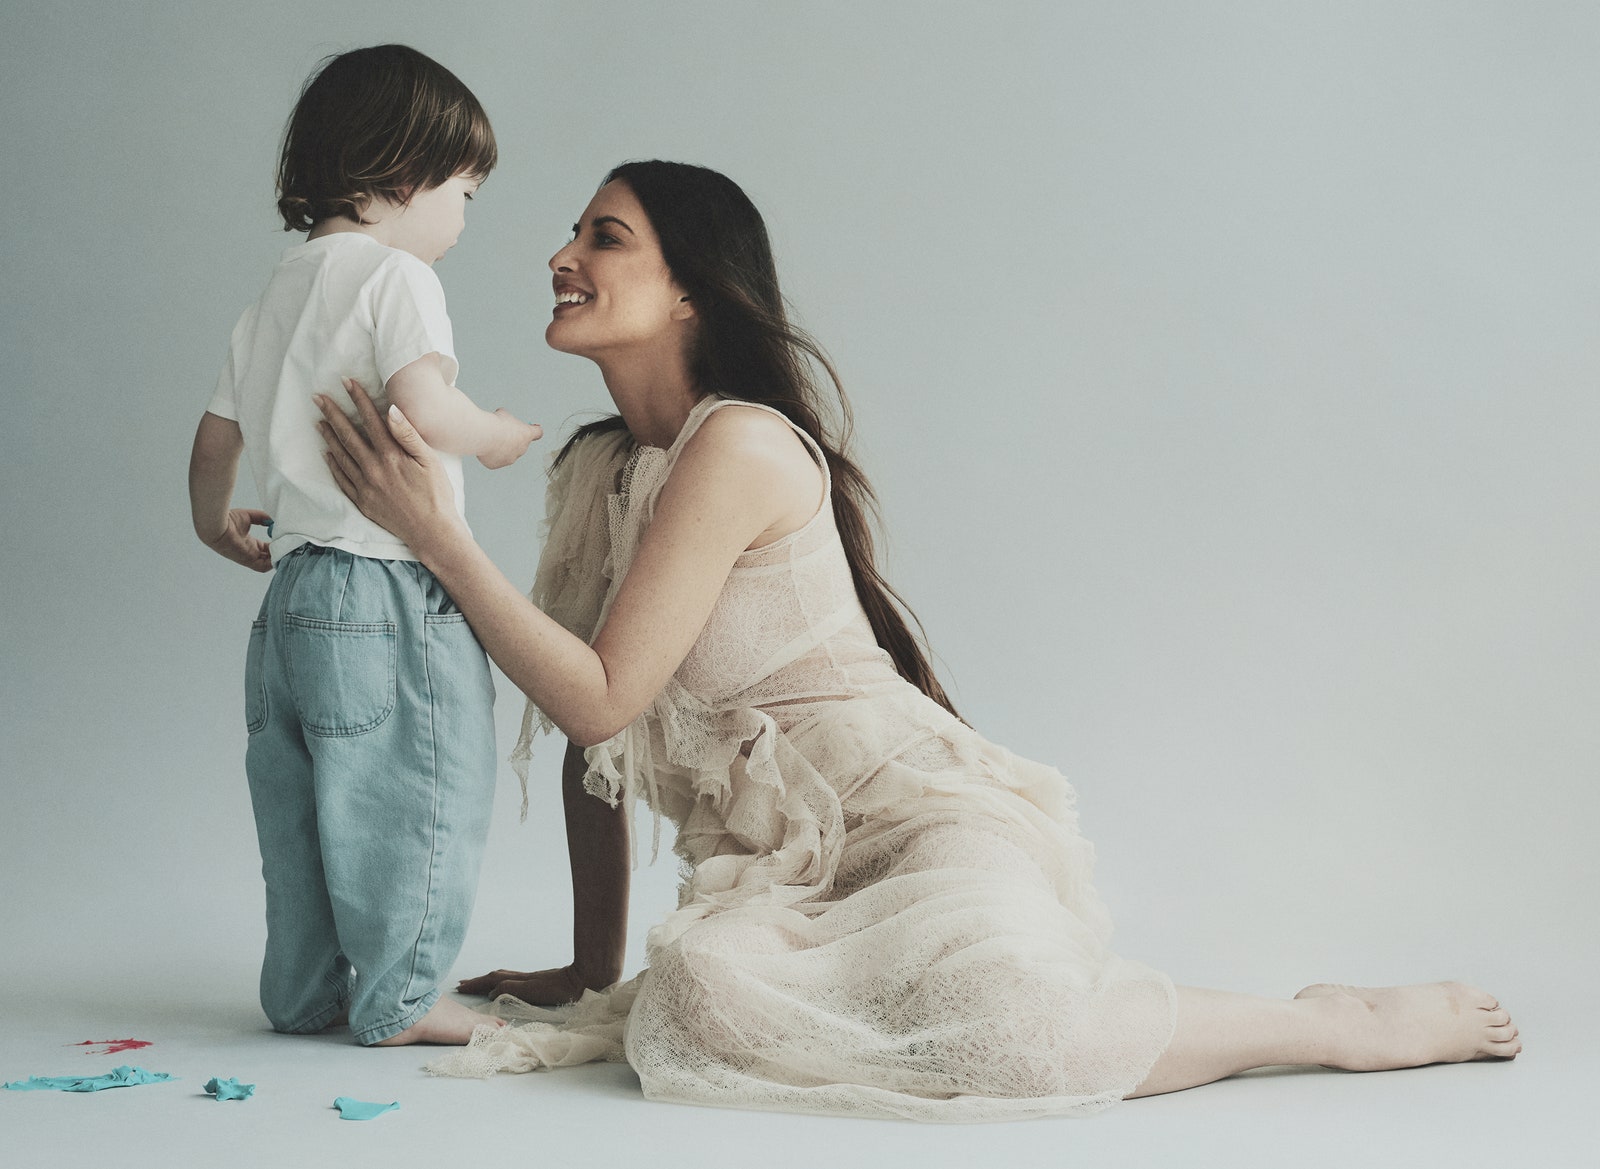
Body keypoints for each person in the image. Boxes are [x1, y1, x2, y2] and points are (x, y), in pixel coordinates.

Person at [314, 160, 1521, 1117]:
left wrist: (434, 533)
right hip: (781, 876)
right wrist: (589, 968)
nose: (559, 256)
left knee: (1018, 1032)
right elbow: (602, 746)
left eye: (603, 236)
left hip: (915, 824)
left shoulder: (739, 444)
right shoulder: (597, 470)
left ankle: (1331, 1024)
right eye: (572, 234)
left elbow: (600, 696)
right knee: (691, 1002)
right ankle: (874, 991)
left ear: (691, 287)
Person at [187, 44, 539, 1047]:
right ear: (398, 178)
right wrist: (497, 433)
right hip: (383, 588)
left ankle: (303, 990)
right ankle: (403, 994)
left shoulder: (273, 295)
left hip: (290, 594)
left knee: (296, 798)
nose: (463, 219)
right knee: (418, 784)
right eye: (462, 192)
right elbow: (423, 405)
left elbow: (215, 441)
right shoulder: (397, 277)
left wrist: (213, 521)